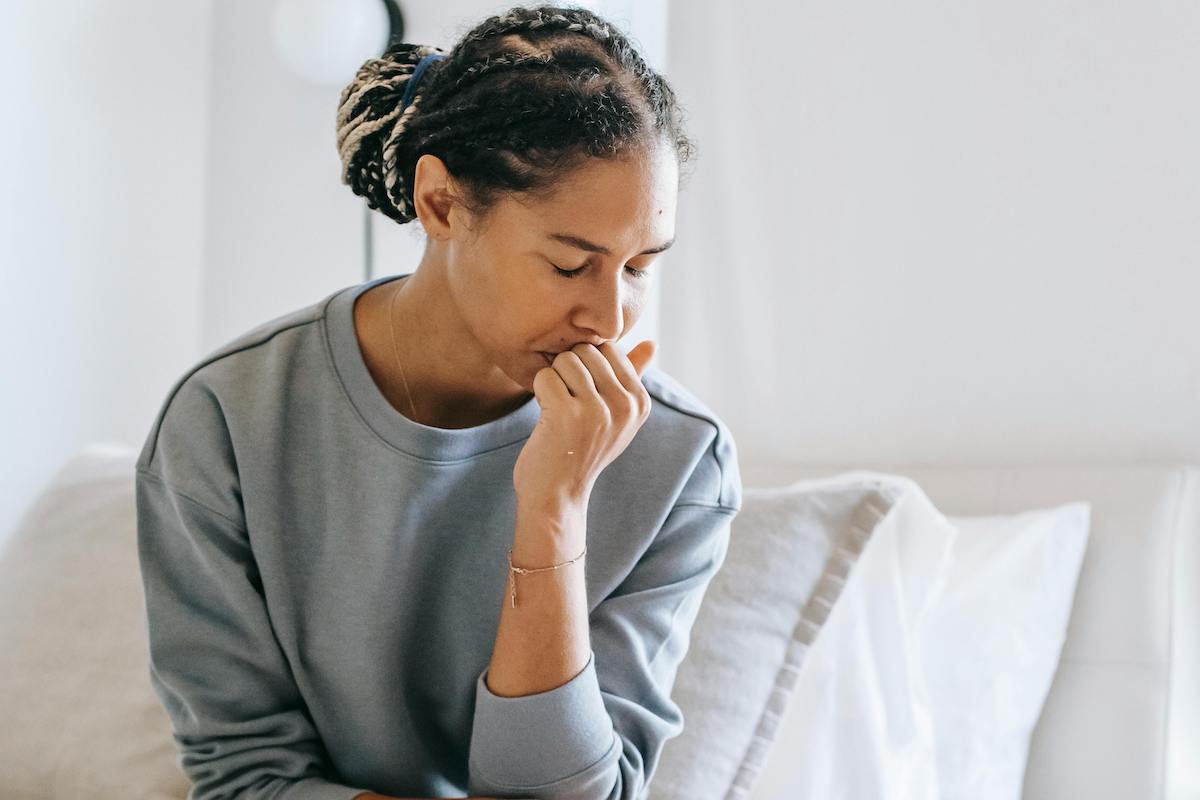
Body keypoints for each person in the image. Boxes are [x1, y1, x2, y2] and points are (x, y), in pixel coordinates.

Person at [134, 4, 742, 799]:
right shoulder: (228, 421)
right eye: (569, 265)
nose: (611, 317)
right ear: (441, 205)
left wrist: (553, 509)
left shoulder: (678, 460)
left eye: (638, 267)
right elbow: (248, 778)